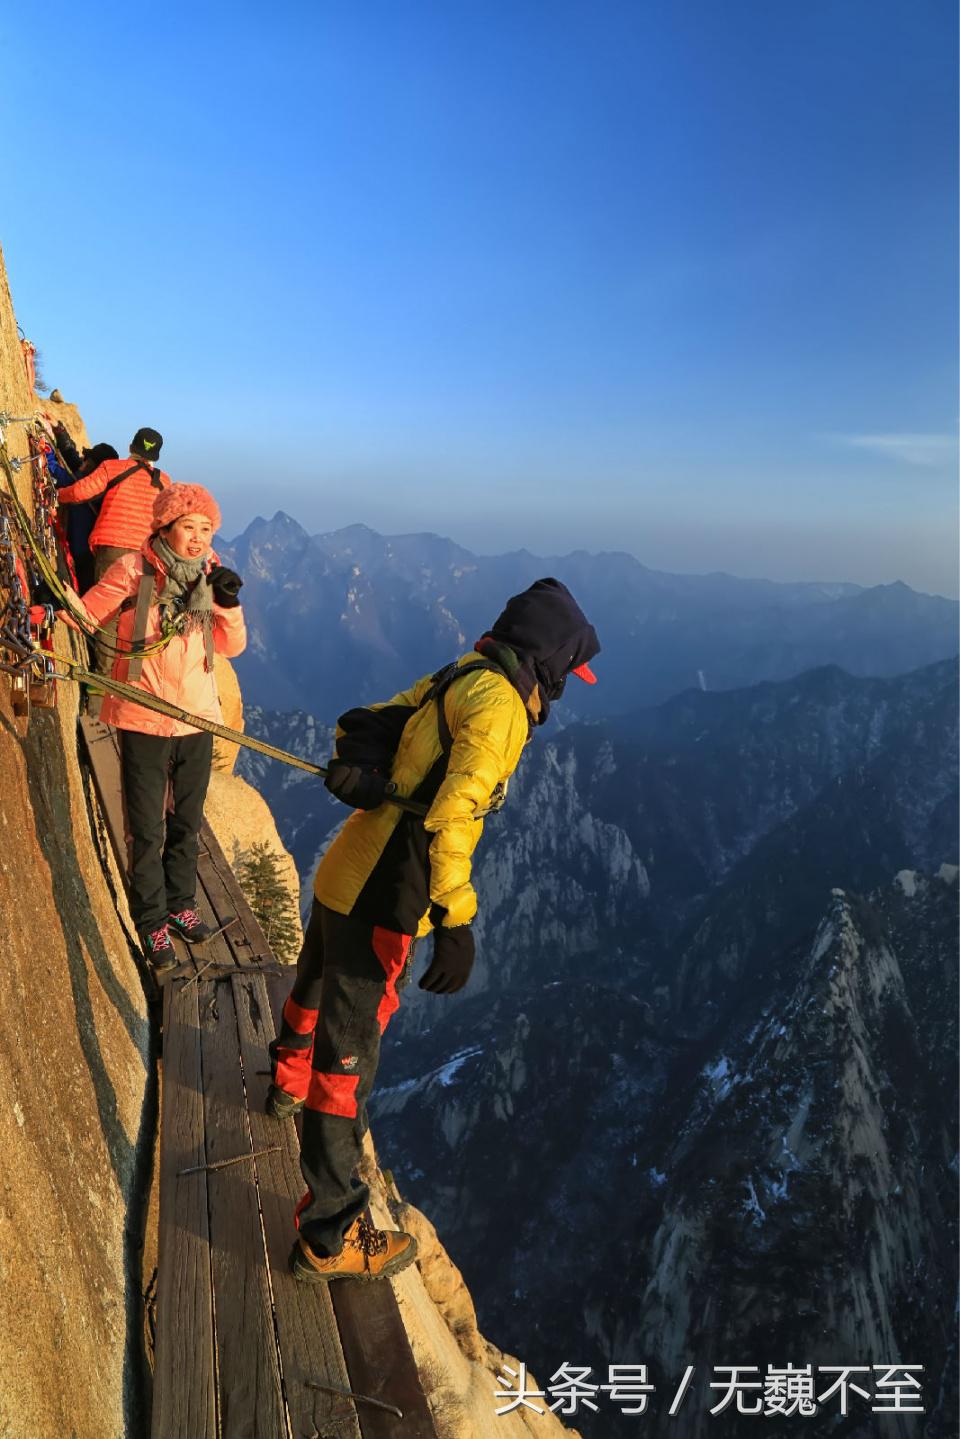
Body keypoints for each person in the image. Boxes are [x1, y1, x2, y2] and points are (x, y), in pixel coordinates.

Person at [268, 577, 600, 1283]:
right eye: (566, 675)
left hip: (344, 870)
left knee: (311, 986)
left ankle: (282, 1078)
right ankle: (330, 1231)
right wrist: (457, 919)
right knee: (348, 1062)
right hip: (388, 900)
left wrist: (358, 767)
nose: (562, 692)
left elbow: (370, 719)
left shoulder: (462, 670)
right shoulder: (504, 710)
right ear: (547, 666)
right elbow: (453, 818)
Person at [65, 483, 246, 973]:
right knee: (146, 828)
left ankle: (180, 904)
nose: (197, 538)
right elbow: (91, 609)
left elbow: (233, 647)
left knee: (186, 823)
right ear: (165, 527)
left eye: (205, 529)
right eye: (188, 527)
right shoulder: (135, 569)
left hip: (195, 720)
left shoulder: (211, 578)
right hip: (141, 715)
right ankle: (152, 922)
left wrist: (227, 602)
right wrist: (53, 614)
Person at [56, 428, 172, 685]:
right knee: (138, 618)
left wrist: (58, 495)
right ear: (156, 456)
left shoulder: (114, 468)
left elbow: (79, 492)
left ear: (132, 446)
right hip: (148, 557)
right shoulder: (165, 482)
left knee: (107, 614)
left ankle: (101, 680)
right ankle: (132, 681)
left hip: (113, 549)